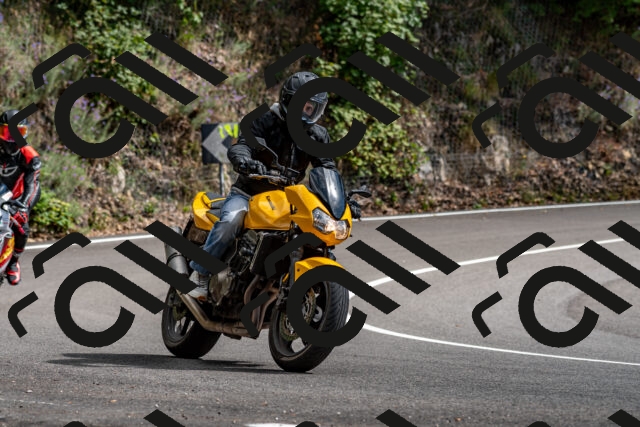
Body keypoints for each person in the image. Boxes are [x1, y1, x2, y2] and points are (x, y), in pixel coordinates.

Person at [187, 71, 362, 301]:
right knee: (230, 221)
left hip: (286, 200)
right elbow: (243, 144)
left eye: (311, 108)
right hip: (249, 193)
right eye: (302, 106)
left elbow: (327, 168)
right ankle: (201, 273)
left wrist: (342, 200)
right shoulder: (265, 120)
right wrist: (244, 160)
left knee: (312, 230)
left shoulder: (317, 136)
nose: (306, 112)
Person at [0, 110, 42, 286]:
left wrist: (23, 206)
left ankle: (14, 262)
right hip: (1, 191)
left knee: (22, 227)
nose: (12, 140)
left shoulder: (30, 155)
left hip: (20, 195)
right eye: (7, 133)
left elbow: (33, 184)